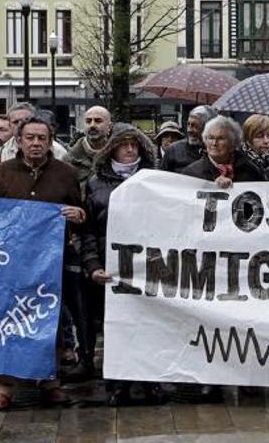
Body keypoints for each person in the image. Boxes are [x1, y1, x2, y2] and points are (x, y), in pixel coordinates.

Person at [0, 115, 85, 412]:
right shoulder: (2, 173)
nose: (36, 143)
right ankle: (4, 385)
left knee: (49, 322)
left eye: (42, 138)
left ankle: (49, 381)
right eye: (30, 137)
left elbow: (81, 211)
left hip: (52, 263)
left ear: (50, 141)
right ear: (19, 140)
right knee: (9, 320)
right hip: (13, 263)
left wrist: (78, 217)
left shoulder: (66, 173)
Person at [82, 123, 161, 406]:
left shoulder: (154, 180)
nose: (130, 150)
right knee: (116, 328)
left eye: (135, 144)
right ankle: (118, 384)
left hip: (146, 267)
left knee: (148, 326)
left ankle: (150, 381)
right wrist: (92, 266)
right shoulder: (95, 183)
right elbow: (89, 231)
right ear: (111, 148)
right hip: (111, 268)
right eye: (124, 144)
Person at [182, 116, 265, 186]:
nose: (214, 143)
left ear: (233, 143)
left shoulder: (251, 171)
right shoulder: (191, 173)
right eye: (211, 138)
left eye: (221, 138)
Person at [0, 103, 68, 170]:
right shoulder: (1, 154)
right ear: (9, 125)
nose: (20, 125)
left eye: (25, 120)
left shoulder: (58, 151)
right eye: (16, 122)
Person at [65, 106, 113, 188]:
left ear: (109, 126)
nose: (92, 125)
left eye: (98, 121)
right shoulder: (69, 160)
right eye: (88, 121)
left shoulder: (118, 157)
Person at [160, 105, 215, 173]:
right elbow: (162, 179)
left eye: (195, 126)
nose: (189, 130)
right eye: (188, 124)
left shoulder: (219, 150)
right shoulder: (174, 150)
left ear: (208, 128)